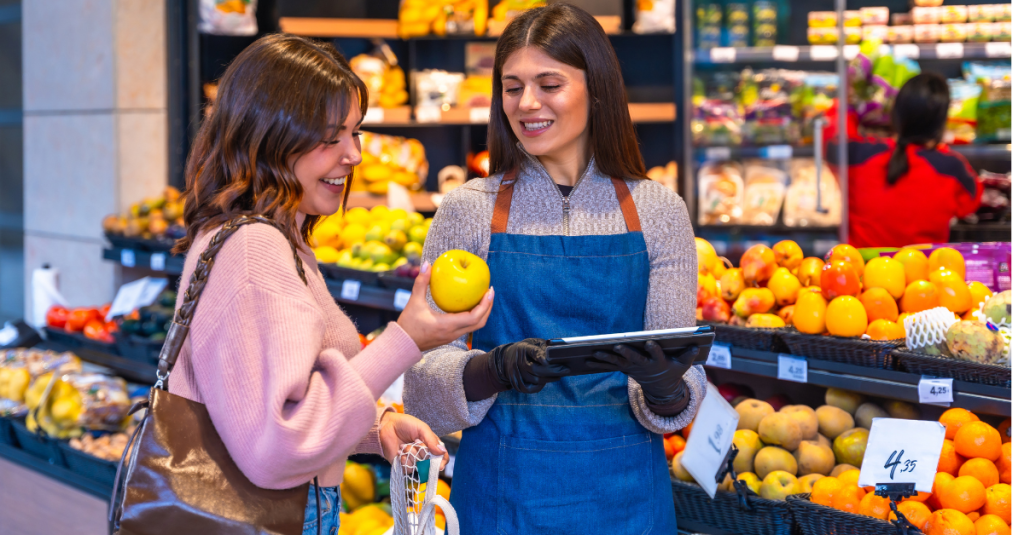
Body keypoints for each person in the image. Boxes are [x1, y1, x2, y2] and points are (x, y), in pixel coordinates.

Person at [169, 34, 493, 535]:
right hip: (282, 516)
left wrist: (374, 425)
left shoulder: (273, 235)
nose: (354, 155)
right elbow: (276, 447)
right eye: (329, 137)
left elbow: (278, 403)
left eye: (354, 132)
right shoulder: (255, 249)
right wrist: (407, 339)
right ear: (270, 134)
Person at [403, 5, 706, 534]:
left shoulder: (659, 212)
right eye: (512, 86)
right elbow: (421, 383)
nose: (527, 104)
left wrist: (668, 387)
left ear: (598, 88)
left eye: (550, 83)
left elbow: (684, 383)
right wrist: (490, 369)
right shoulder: (467, 210)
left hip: (628, 501)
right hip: (504, 496)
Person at [828, 72, 982, 247]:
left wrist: (848, 103)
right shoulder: (952, 166)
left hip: (863, 269)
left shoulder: (861, 154)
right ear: (942, 120)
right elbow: (970, 203)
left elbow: (830, 138)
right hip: (924, 270)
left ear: (896, 112)